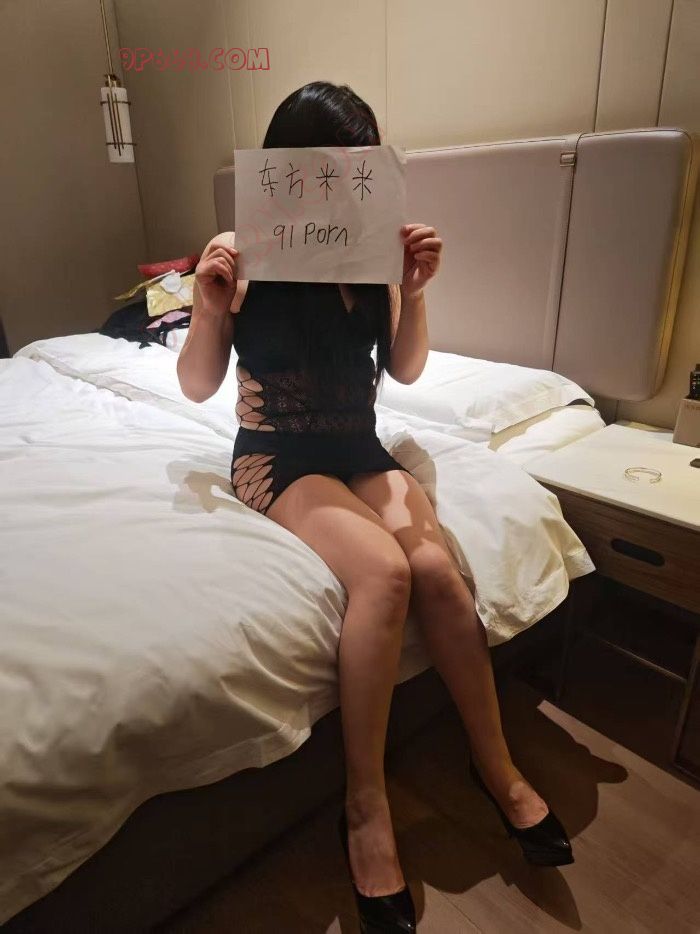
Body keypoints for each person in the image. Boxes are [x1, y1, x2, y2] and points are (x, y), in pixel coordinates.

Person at [177, 80, 572, 934]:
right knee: (385, 574)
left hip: (358, 446)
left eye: (358, 168)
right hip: (277, 454)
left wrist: (414, 290)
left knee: (435, 568)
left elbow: (406, 370)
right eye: (327, 166)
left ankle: (495, 764)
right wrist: (207, 307)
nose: (342, 185)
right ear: (288, 169)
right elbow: (198, 384)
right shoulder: (242, 256)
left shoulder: (369, 257)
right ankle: (365, 805)